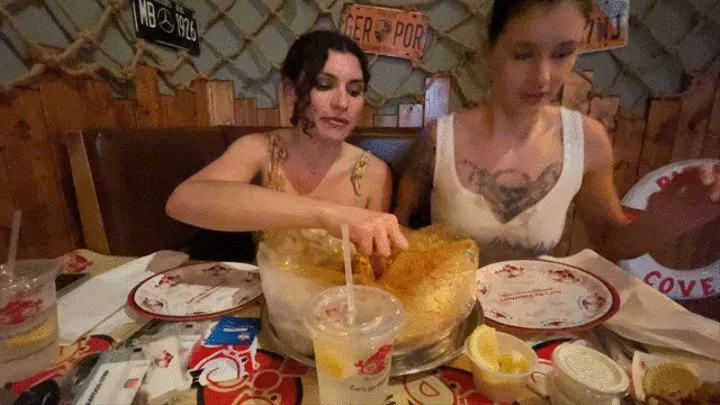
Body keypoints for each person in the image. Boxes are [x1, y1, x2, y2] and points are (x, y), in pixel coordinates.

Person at [394, 0, 720, 265]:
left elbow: (610, 240)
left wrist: (665, 220)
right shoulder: (439, 139)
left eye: (563, 53)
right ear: (489, 50)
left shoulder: (587, 140)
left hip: (539, 323)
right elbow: (397, 234)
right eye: (523, 54)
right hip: (450, 320)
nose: (543, 77)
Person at [166, 30, 408, 258]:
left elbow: (375, 264)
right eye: (324, 85)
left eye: (355, 91)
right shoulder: (259, 149)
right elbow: (182, 201)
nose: (342, 103)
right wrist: (326, 214)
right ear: (290, 91)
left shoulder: (374, 173)